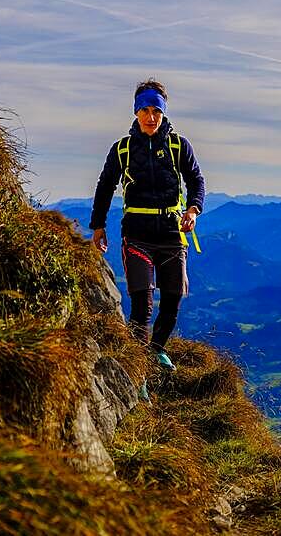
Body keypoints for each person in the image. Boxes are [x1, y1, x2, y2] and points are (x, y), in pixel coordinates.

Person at [89, 79, 205, 378]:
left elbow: (196, 180)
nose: (151, 117)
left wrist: (193, 209)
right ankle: (138, 370)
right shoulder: (122, 150)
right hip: (136, 235)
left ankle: (155, 350)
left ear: (163, 113)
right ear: (136, 112)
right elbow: (105, 187)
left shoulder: (179, 146)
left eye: (156, 110)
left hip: (171, 233)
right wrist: (98, 226)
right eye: (145, 110)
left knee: (173, 297)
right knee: (142, 300)